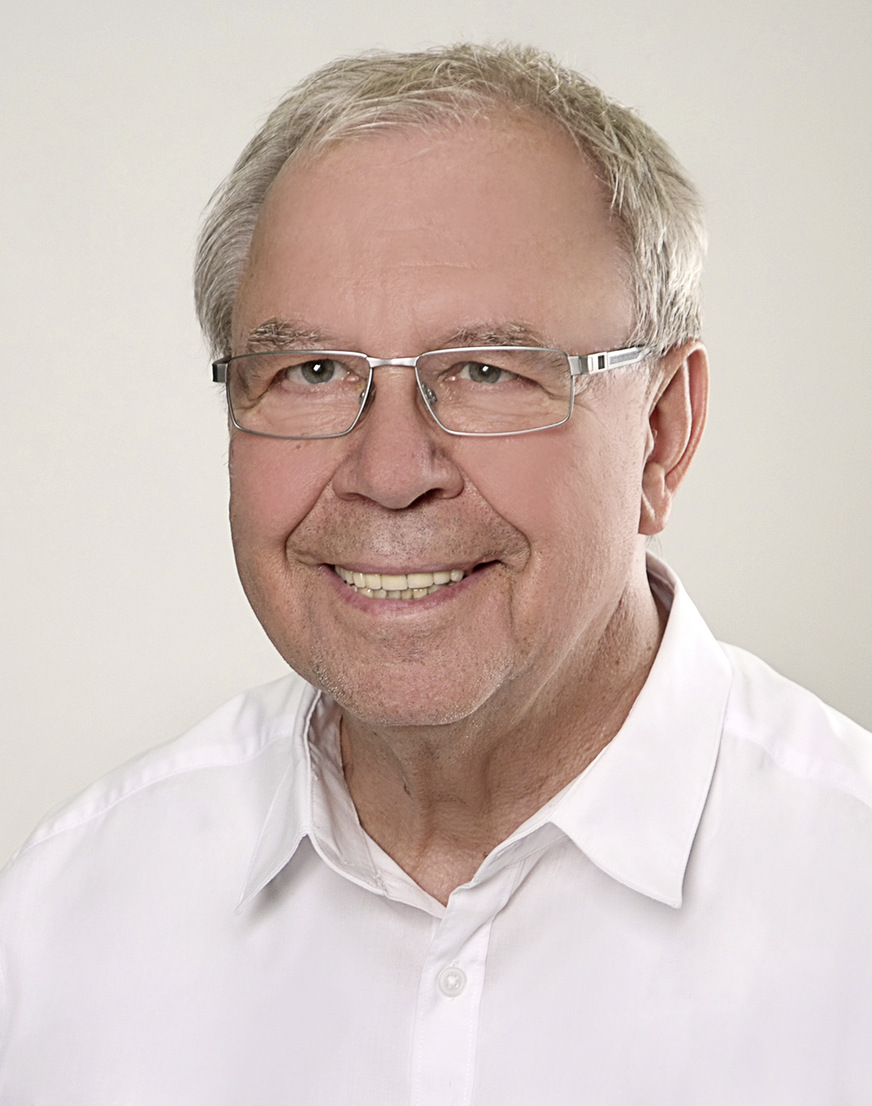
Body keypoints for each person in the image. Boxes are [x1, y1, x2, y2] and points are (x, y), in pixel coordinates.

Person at [1, 42, 871, 1104]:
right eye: (313, 371)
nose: (389, 473)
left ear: (659, 432)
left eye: (486, 371)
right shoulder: (60, 923)